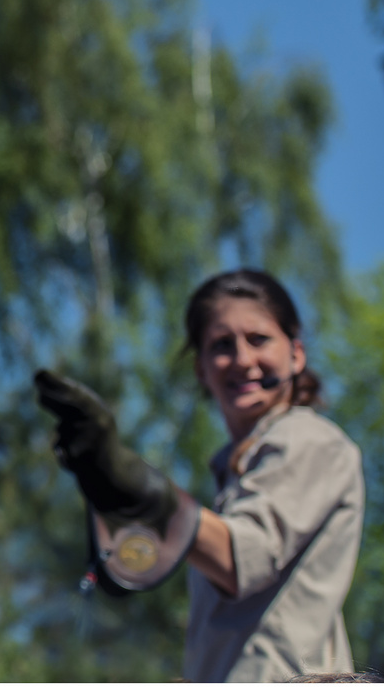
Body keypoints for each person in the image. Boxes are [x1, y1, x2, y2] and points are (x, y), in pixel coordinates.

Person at [35, 269, 365, 682]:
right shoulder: (234, 477)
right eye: (222, 346)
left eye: (259, 339)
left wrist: (147, 497)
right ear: (201, 369)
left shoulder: (310, 440)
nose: (243, 359)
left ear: (296, 353)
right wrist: (115, 497)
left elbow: (243, 556)